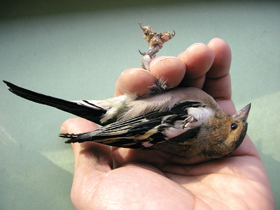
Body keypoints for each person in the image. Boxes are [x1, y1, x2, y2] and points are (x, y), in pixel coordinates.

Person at [60, 38, 275, 209]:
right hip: (136, 115)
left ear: (219, 136)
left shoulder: (196, 120)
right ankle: (150, 59)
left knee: (154, 81)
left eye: (235, 125)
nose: (239, 115)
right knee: (158, 77)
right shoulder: (203, 122)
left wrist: (90, 135)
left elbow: (139, 129)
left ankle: (149, 59)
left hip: (127, 117)